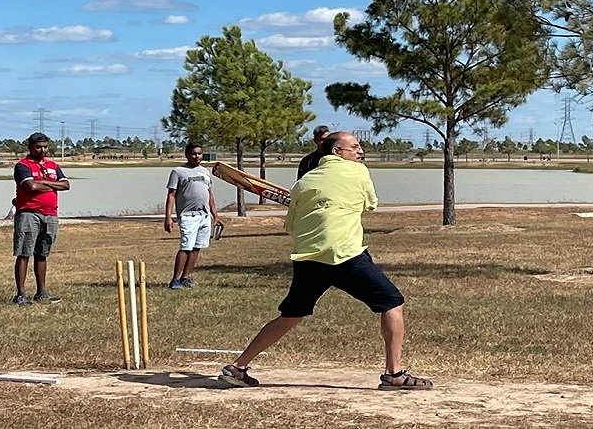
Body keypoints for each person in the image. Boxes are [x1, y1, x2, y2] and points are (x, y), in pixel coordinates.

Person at [219, 131, 433, 391]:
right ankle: (394, 375)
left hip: (308, 258)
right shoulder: (358, 171)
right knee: (392, 303)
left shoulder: (304, 183)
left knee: (291, 315)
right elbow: (370, 204)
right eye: (354, 147)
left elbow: (291, 225)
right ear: (336, 151)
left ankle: (238, 368)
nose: (360, 151)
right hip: (345, 255)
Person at [11, 132, 70, 305]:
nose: (42, 150)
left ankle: (41, 292)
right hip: (29, 213)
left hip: (50, 214)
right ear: (30, 147)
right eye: (38, 147)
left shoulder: (53, 165)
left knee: (42, 254)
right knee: (24, 253)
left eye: (45, 147)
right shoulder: (23, 166)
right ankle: (21, 294)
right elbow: (31, 186)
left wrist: (43, 183)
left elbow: (66, 185)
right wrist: (53, 185)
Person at [163, 142, 223, 290]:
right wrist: (168, 217)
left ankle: (185, 277)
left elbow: (209, 195)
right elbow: (171, 195)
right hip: (188, 216)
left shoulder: (205, 172)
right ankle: (175, 280)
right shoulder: (178, 172)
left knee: (197, 247)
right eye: (193, 154)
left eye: (199, 153)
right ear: (187, 155)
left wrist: (215, 216)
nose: (197, 156)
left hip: (204, 216)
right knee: (186, 247)